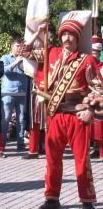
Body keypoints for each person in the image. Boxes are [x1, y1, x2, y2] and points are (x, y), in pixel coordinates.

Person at [30, 12, 102, 209]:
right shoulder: (50, 52)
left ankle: (87, 200)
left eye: (72, 34)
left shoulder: (86, 61)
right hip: (55, 115)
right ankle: (52, 198)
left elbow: (100, 90)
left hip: (77, 116)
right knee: (52, 159)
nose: (68, 38)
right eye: (64, 34)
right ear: (60, 36)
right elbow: (26, 52)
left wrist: (90, 110)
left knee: (82, 159)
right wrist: (40, 32)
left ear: (78, 38)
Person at [0, 38, 29, 150]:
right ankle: (1, 144)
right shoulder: (6, 57)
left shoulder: (26, 58)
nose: (19, 48)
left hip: (22, 93)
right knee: (6, 118)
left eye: (21, 46)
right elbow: (3, 71)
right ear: (12, 47)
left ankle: (20, 143)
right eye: (17, 46)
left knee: (21, 119)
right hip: (8, 92)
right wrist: (17, 61)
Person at [89, 35, 103, 159]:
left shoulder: (102, 66)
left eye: (97, 52)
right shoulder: (87, 65)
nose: (95, 54)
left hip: (100, 98)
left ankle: (98, 148)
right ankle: (94, 147)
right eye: (93, 52)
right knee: (91, 125)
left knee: (99, 125)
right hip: (88, 97)